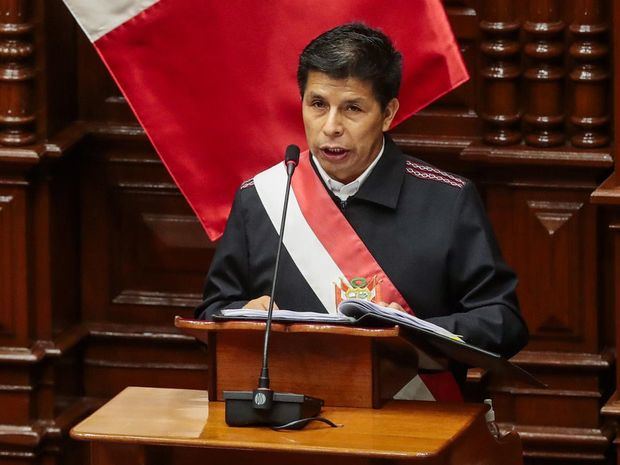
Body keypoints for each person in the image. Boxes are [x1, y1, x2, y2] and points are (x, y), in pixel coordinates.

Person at [195, 23, 528, 387]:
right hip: (289, 419)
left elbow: (503, 321)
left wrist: (414, 333)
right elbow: (212, 313)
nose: (331, 127)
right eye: (318, 105)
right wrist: (242, 315)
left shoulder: (447, 199)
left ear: (387, 114)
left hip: (413, 423)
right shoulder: (261, 199)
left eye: (352, 108)